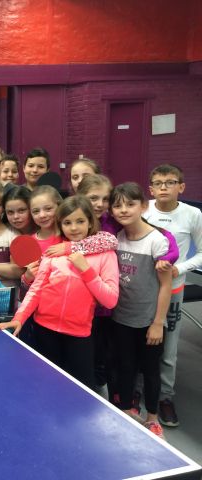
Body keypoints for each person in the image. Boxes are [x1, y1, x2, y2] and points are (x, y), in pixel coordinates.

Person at [0, 195, 119, 389]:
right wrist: (19, 317)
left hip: (79, 335)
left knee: (80, 390)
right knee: (45, 385)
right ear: (60, 225)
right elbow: (36, 290)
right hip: (44, 330)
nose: (73, 228)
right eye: (67, 222)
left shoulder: (105, 255)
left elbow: (111, 300)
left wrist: (86, 270)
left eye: (80, 221)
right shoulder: (54, 253)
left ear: (90, 222)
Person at [109, 182, 172, 438]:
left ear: (144, 206)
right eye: (117, 205)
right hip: (121, 318)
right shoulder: (118, 238)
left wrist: (158, 322)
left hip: (149, 321)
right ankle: (127, 410)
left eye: (130, 204)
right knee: (125, 366)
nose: (123, 210)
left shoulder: (157, 240)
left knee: (150, 371)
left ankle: (153, 418)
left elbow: (165, 286)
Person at [144, 164, 202, 427]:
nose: (163, 187)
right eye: (158, 183)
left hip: (174, 290)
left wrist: (179, 268)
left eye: (170, 182)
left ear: (181, 187)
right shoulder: (142, 209)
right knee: (140, 341)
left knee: (168, 348)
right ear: (151, 188)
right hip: (144, 290)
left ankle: (165, 397)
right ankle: (137, 392)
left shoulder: (193, 214)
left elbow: (201, 252)